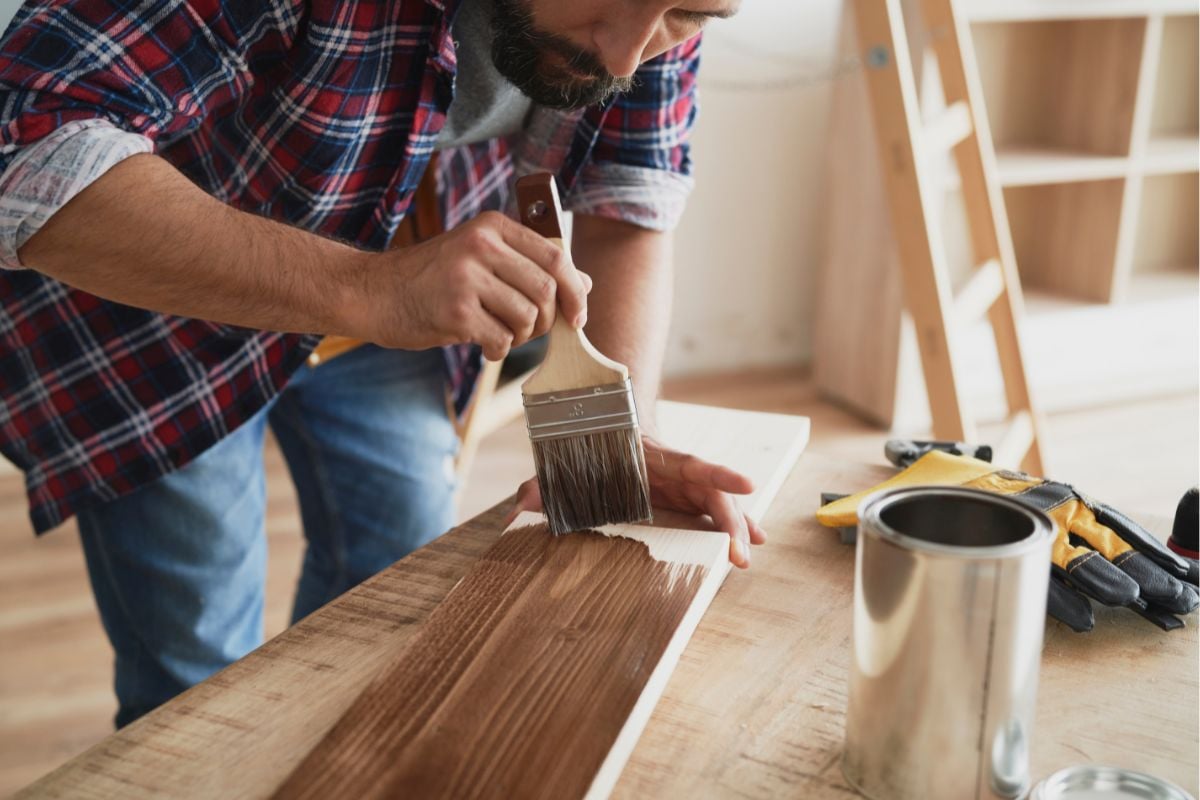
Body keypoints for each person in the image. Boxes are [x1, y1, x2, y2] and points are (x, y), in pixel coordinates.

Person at [0, 0, 760, 728]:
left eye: (688, 15)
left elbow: (628, 194)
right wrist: (364, 288)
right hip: (154, 316)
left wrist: (618, 433)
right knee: (196, 677)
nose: (626, 54)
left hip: (399, 296)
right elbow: (24, 146)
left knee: (398, 611)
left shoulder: (639, 24)